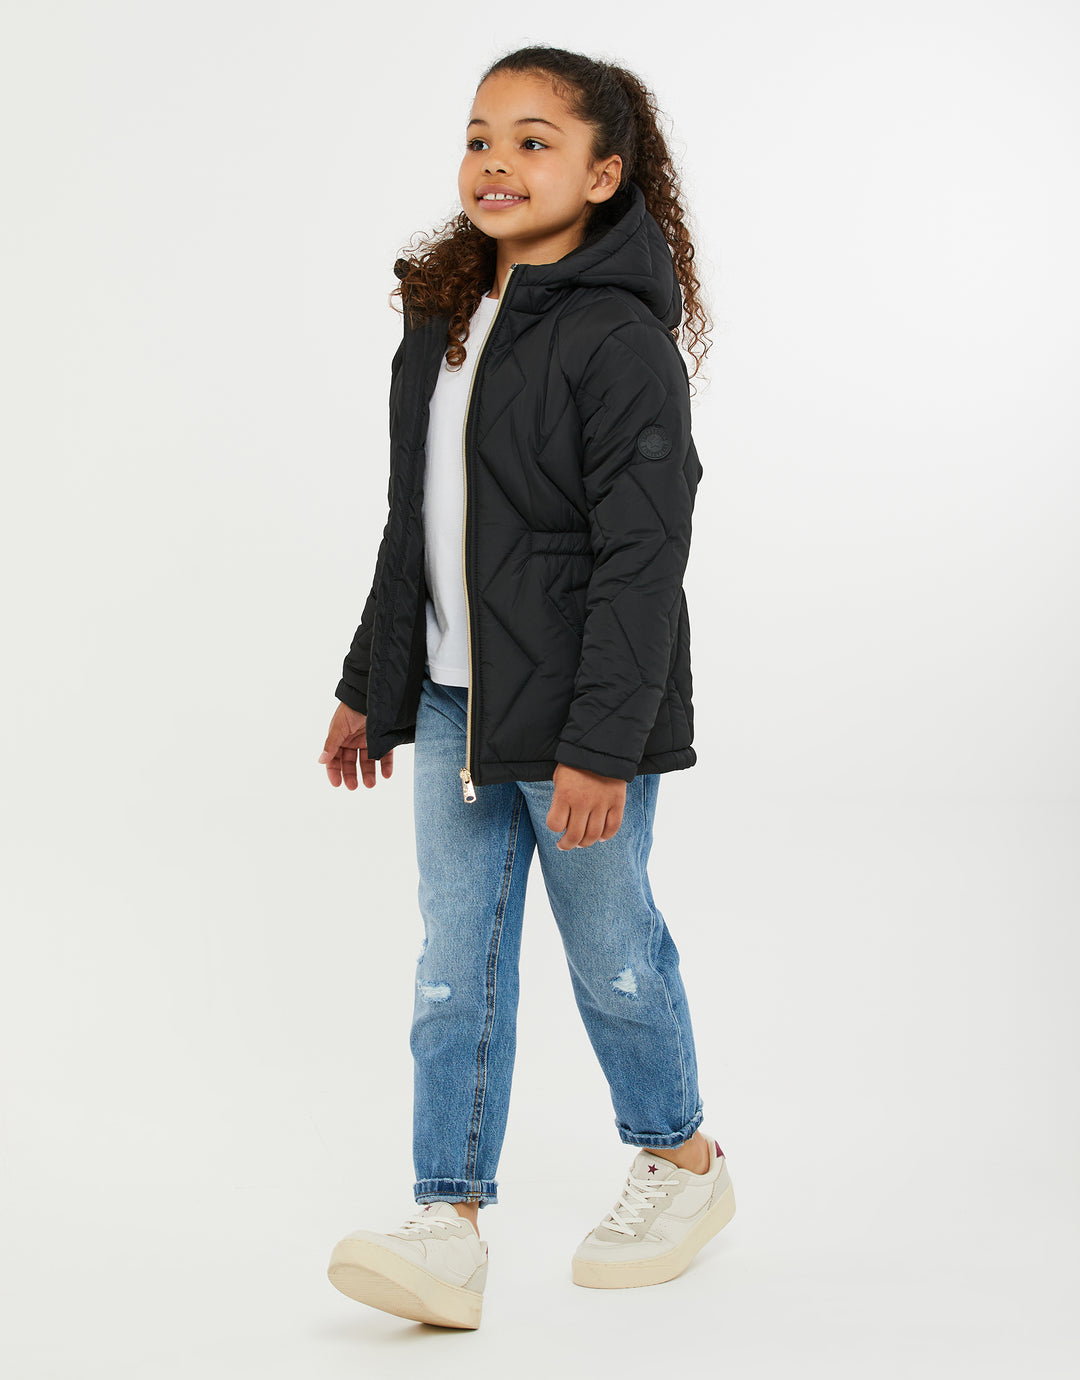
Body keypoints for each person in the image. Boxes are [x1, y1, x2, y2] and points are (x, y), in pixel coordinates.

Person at [319, 45, 734, 1329]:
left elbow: (643, 561)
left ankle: (682, 1163)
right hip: (453, 708)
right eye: (479, 137)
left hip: (578, 721)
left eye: (534, 141)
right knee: (455, 969)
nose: (496, 161)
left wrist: (603, 745)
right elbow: (416, 523)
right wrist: (371, 682)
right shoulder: (443, 320)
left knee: (612, 958)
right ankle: (446, 1224)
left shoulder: (619, 343)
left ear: (604, 177)